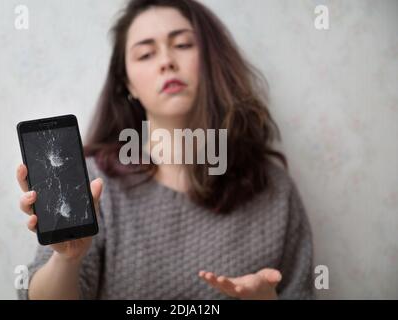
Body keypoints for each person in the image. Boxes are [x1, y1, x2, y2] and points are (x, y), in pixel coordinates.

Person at [16, 0, 315, 300]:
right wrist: (67, 259)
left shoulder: (274, 189)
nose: (167, 61)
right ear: (127, 83)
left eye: (183, 45)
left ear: (211, 59)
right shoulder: (94, 183)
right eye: (146, 54)